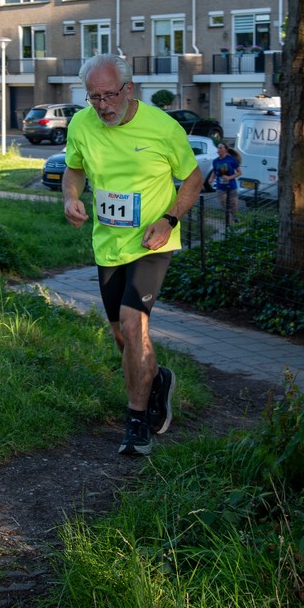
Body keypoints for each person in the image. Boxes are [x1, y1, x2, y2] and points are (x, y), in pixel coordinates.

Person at [61, 54, 203, 456]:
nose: (102, 105)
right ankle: (156, 380)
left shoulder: (162, 127)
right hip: (109, 245)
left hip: (152, 242)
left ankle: (137, 421)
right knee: (123, 336)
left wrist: (169, 220)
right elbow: (74, 169)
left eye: (109, 95)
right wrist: (70, 197)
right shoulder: (81, 124)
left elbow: (192, 178)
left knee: (133, 321)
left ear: (129, 89)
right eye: (94, 97)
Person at [212, 142, 242, 226]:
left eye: (220, 148)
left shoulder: (231, 159)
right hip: (220, 187)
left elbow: (239, 172)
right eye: (218, 148)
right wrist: (211, 179)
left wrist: (229, 177)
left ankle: (235, 218)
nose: (218, 149)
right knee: (224, 205)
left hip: (231, 186)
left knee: (233, 205)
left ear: (225, 149)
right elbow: (214, 171)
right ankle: (228, 224)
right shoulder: (215, 161)